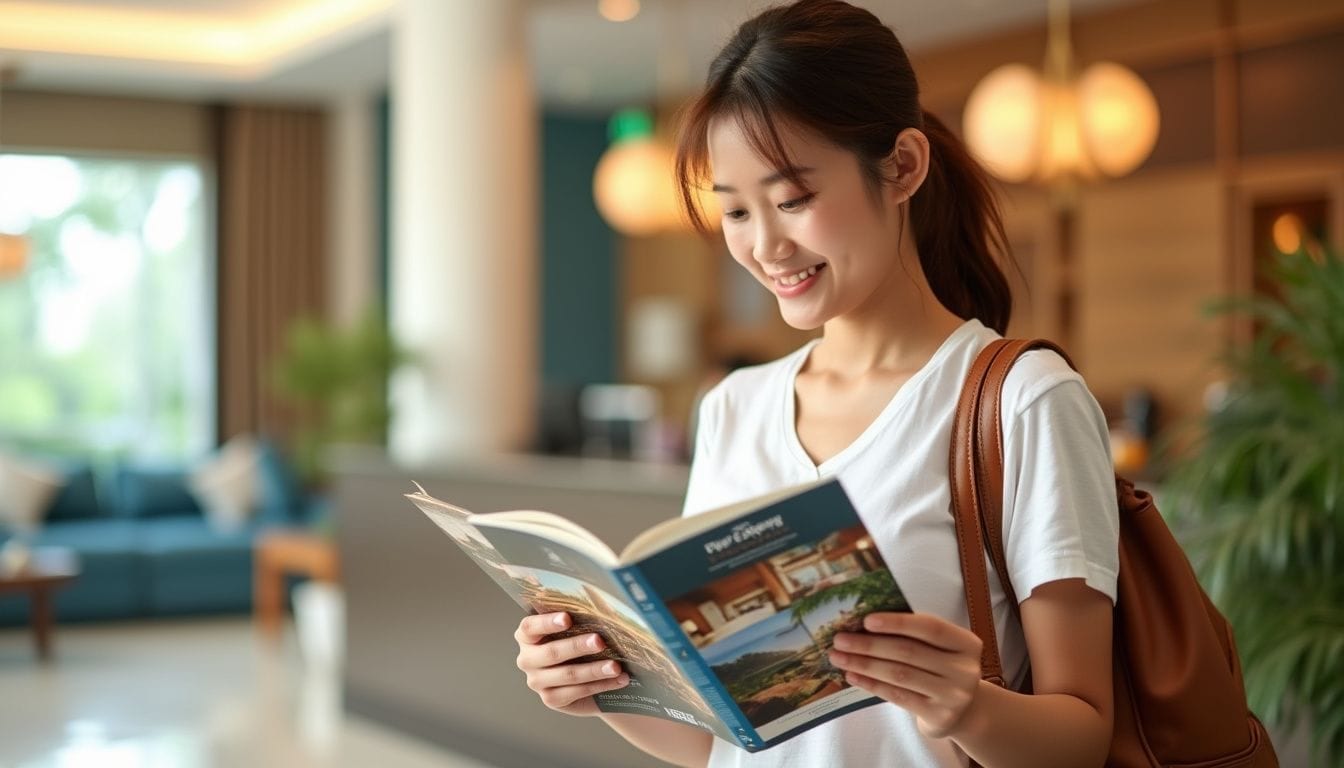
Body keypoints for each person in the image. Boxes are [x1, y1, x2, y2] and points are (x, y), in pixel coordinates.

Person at [513, 1, 1119, 766]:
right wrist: (598, 686)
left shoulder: (1023, 400)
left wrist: (962, 706)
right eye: (735, 210)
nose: (765, 245)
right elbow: (716, 743)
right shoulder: (735, 406)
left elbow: (1083, 740)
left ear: (902, 166)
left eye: (792, 199)